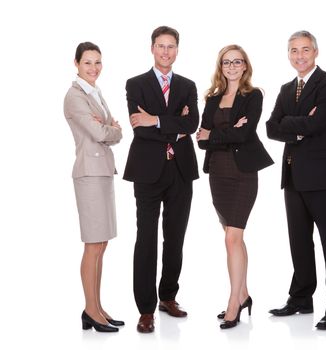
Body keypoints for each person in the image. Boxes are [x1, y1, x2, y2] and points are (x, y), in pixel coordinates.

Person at [266, 31, 326, 330]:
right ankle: (301, 297)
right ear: (288, 54)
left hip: (322, 176)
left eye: (305, 50)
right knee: (299, 242)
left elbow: (320, 123)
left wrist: (292, 124)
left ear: (315, 51)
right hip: (292, 176)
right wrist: (299, 127)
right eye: (293, 51)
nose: (299, 56)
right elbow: (270, 128)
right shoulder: (287, 88)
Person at [123, 26, 199, 333]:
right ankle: (145, 309)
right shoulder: (136, 84)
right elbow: (138, 129)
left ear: (177, 50)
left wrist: (155, 119)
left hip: (180, 170)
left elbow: (192, 123)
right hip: (147, 171)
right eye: (160, 46)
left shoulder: (188, 85)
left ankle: (168, 296)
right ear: (152, 49)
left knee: (175, 236)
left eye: (171, 47)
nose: (165, 51)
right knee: (146, 239)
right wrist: (174, 124)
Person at [197, 45, 273, 329]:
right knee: (234, 238)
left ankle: (233, 303)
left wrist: (216, 134)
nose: (231, 66)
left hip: (243, 173)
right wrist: (227, 132)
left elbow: (245, 134)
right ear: (221, 67)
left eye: (236, 61)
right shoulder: (212, 98)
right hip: (217, 173)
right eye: (226, 62)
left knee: (232, 238)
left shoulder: (253, 96)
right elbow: (201, 139)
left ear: (244, 66)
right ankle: (243, 295)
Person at [64, 42, 124, 332]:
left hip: (102, 173)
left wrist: (111, 129)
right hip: (89, 173)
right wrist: (113, 129)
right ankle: (90, 310)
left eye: (98, 62)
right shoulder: (75, 96)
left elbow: (109, 130)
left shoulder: (94, 92)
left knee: (101, 244)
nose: (94, 68)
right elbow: (102, 131)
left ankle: (97, 307)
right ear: (76, 63)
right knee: (92, 245)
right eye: (88, 62)